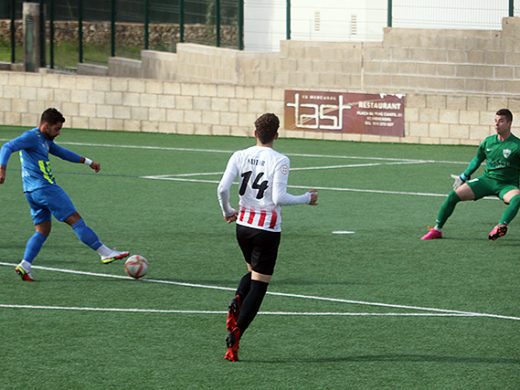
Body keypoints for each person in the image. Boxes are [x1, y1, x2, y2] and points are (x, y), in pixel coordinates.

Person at [217, 113, 318, 362]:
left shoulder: (239, 155)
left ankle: (238, 299)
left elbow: (221, 188)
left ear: (254, 133)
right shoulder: (281, 160)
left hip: (243, 227)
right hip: (267, 230)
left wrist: (228, 212)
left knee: (251, 274)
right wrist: (307, 198)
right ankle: (237, 332)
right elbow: (278, 198)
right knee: (260, 285)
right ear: (276, 135)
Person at [0, 108, 129, 281]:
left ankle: (25, 265)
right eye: (57, 129)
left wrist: (88, 162)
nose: (58, 133)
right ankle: (105, 252)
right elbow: (7, 146)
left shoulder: (44, 140)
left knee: (42, 230)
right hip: (46, 189)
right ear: (46, 125)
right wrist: (2, 168)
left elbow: (62, 153)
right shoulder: (31, 137)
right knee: (75, 220)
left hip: (31, 192)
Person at [421, 108, 520, 240]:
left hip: (506, 185)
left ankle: (501, 226)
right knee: (453, 196)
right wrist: (465, 175)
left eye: (501, 121)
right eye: (495, 121)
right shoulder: (488, 141)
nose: (497, 124)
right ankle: (437, 230)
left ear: (509, 123)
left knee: (517, 199)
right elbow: (478, 159)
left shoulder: (517, 145)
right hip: (487, 181)